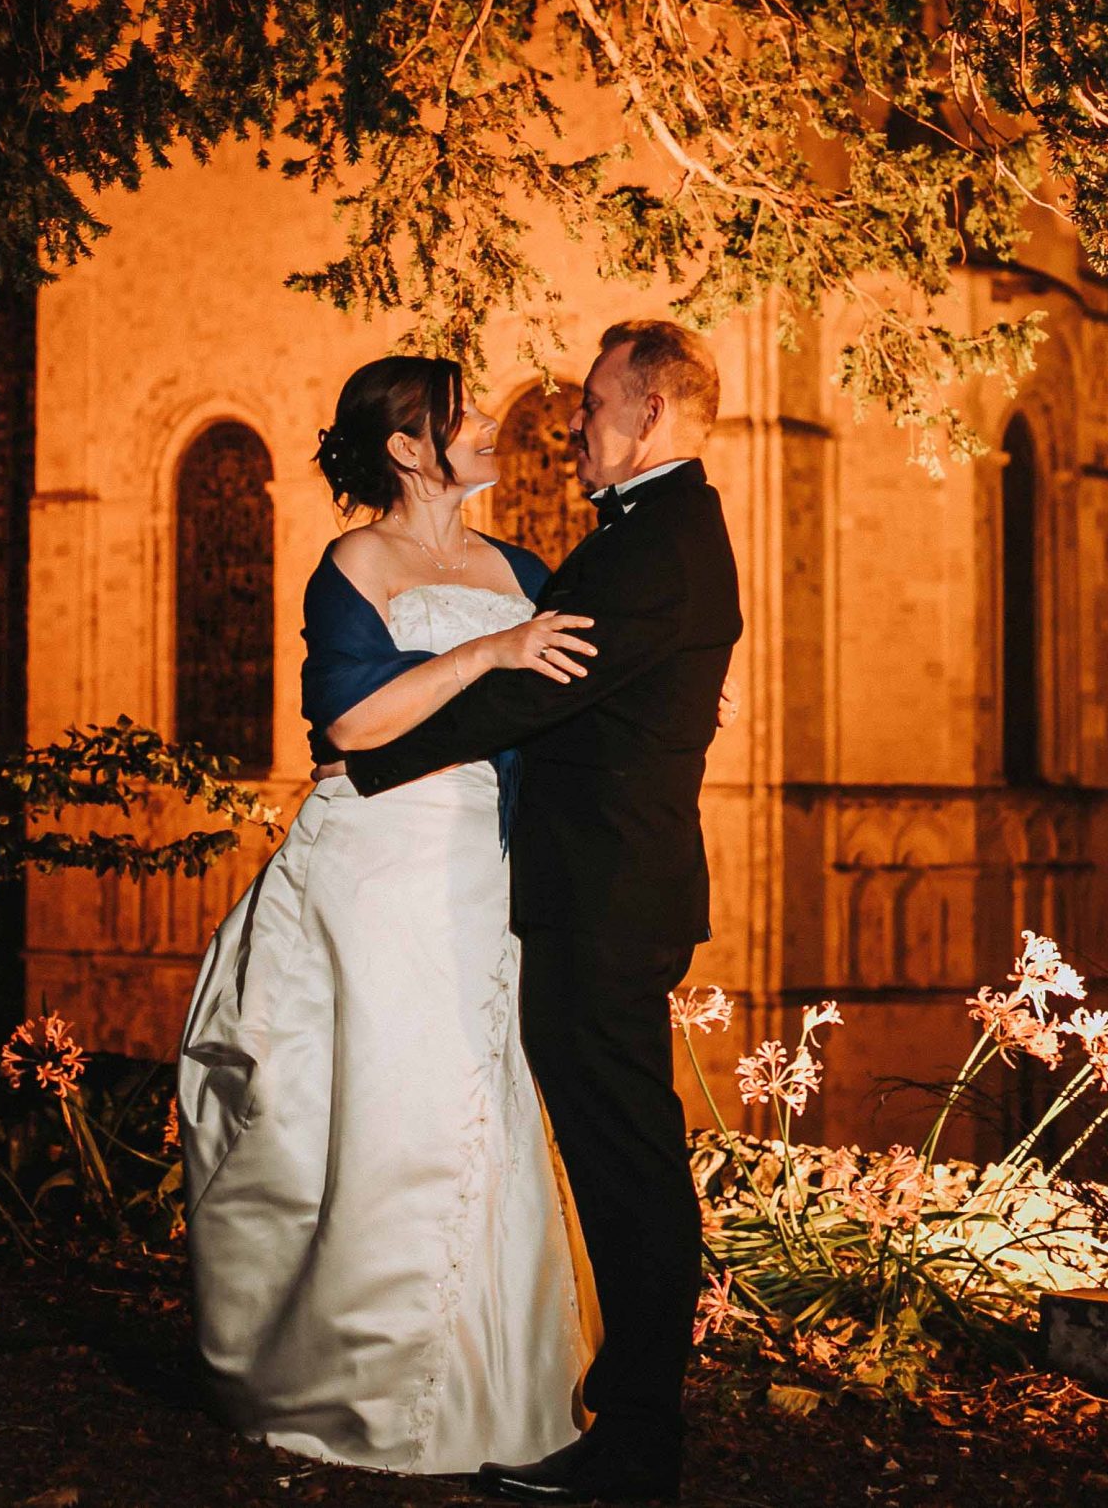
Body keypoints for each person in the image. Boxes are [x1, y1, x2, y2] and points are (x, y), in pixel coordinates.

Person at [330, 320, 744, 1503]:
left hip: (604, 898)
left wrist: (368, 756)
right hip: (599, 888)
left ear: (651, 414)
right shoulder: (655, 532)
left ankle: (635, 1441)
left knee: (627, 1163)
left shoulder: (657, 543)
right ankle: (630, 1423)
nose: (572, 424)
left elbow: (532, 690)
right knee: (623, 1155)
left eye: (595, 404)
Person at [174, 354, 606, 1474]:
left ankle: (488, 1386)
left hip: (480, 858)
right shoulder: (356, 559)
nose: (486, 428)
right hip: (385, 858)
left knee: (473, 1094)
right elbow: (353, 723)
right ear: (409, 450)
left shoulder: (519, 564)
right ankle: (350, 1383)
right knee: (387, 1098)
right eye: (460, 418)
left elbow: (577, 677)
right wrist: (487, 650)